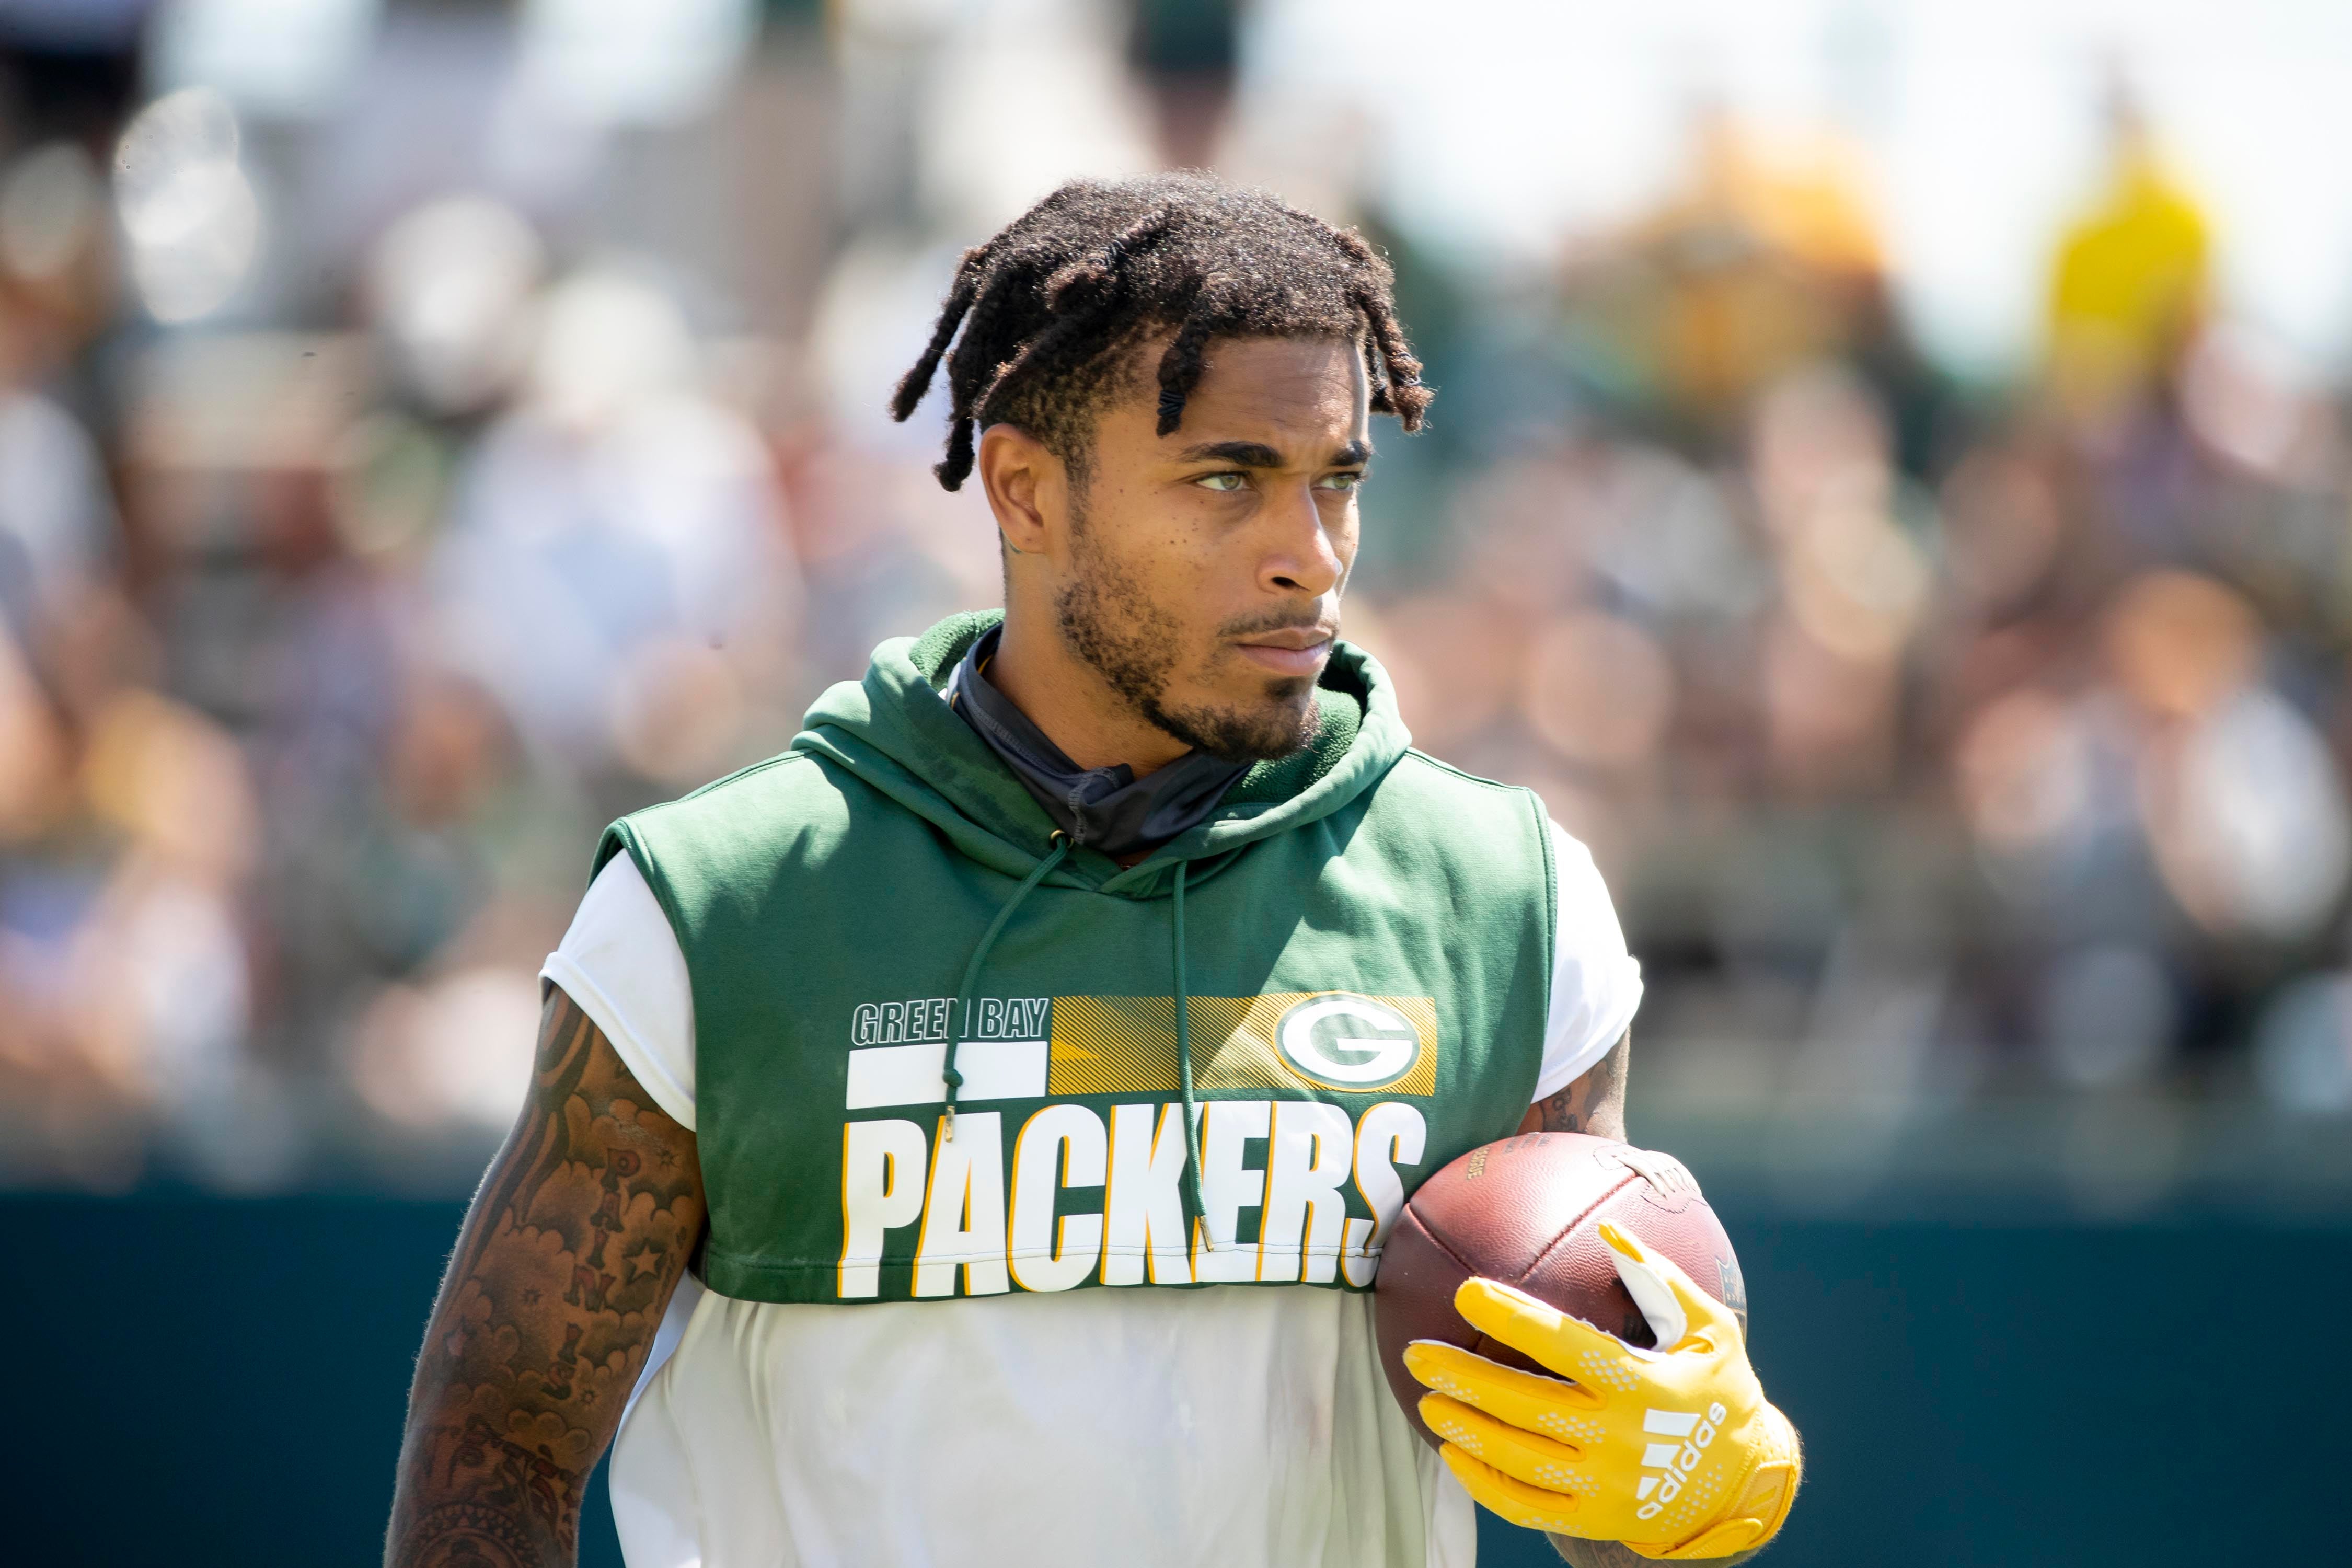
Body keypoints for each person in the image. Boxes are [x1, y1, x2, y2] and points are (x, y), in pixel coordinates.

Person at [385, 173, 1802, 1568]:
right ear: (1022, 487)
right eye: (1228, 480)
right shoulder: (722, 908)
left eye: (1336, 483)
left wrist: (1680, 1494)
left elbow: (1592, 1465)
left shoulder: (1504, 899)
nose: (1306, 558)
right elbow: (493, 1454)